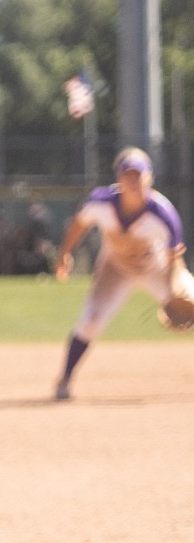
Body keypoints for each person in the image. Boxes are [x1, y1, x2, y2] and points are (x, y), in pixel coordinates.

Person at [53, 147, 187, 401]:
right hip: (115, 268)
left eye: (139, 175)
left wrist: (175, 291)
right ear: (119, 178)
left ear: (150, 179)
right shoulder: (100, 202)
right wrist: (64, 255)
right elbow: (79, 224)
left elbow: (175, 260)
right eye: (128, 175)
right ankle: (65, 379)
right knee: (90, 321)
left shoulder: (163, 214)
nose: (134, 181)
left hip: (156, 267)